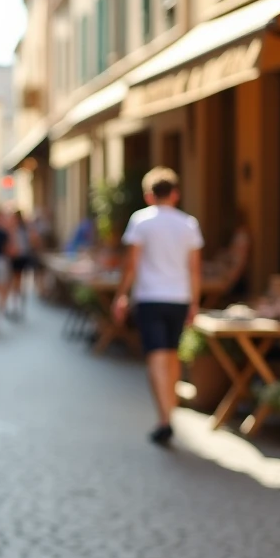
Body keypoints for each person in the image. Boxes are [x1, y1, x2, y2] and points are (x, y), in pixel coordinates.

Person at [113, 166, 204, 446]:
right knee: (172, 355)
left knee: (156, 356)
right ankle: (170, 412)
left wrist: (121, 294)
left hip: (150, 296)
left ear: (149, 195)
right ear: (175, 194)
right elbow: (194, 270)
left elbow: (132, 264)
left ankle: (164, 418)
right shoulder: (188, 224)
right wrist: (195, 302)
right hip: (178, 297)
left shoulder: (141, 221)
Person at [8, 209, 41, 321]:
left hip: (20, 257)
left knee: (18, 282)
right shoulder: (20, 228)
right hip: (19, 257)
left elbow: (34, 240)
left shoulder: (21, 229)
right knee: (16, 282)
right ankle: (17, 305)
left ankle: (17, 305)